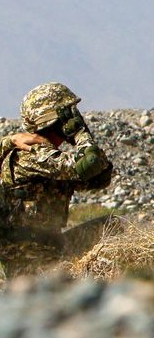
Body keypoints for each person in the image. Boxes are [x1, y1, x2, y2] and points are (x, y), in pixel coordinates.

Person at [0, 82, 113, 253]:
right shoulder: (33, 154)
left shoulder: (51, 158)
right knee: (114, 225)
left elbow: (100, 178)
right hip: (32, 258)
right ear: (54, 121)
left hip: (49, 247)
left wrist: (83, 136)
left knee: (112, 223)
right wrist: (80, 133)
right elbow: (89, 164)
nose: (75, 119)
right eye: (69, 115)